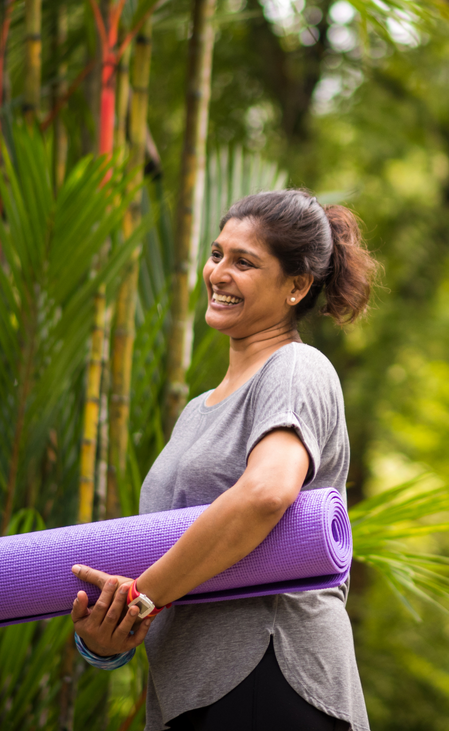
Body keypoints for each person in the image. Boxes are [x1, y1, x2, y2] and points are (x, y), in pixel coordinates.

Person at [68, 189, 377, 731]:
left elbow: (265, 494)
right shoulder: (195, 412)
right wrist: (104, 638)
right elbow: (169, 556)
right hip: (192, 691)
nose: (218, 273)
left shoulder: (295, 367)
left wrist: (142, 599)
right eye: (217, 255)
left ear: (297, 287)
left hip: (270, 677)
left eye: (244, 262)